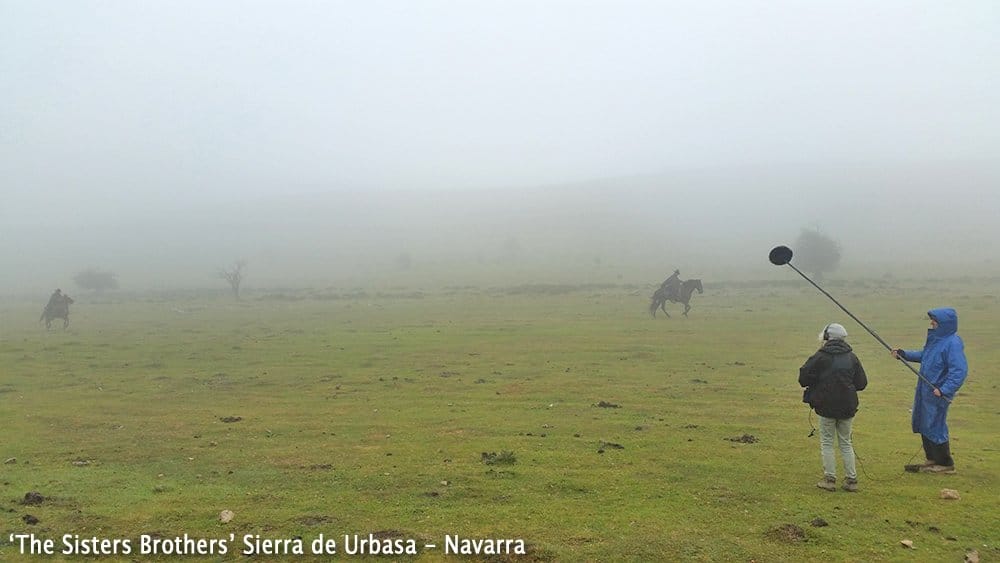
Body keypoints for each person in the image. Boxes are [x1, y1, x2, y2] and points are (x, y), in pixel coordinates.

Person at [891, 308, 968, 474]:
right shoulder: (936, 340)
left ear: (944, 324)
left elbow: (959, 371)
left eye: (935, 320)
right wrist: (903, 354)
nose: (932, 323)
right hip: (926, 390)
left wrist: (945, 389)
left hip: (938, 392)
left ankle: (945, 463)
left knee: (935, 424)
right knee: (924, 423)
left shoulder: (952, 343)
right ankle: (932, 459)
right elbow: (925, 355)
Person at [799, 323, 868, 492]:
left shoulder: (820, 356)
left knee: (827, 442)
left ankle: (829, 479)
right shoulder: (852, 357)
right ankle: (851, 480)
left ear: (827, 337)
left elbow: (803, 378)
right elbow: (861, 383)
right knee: (846, 443)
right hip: (847, 407)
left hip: (826, 406)